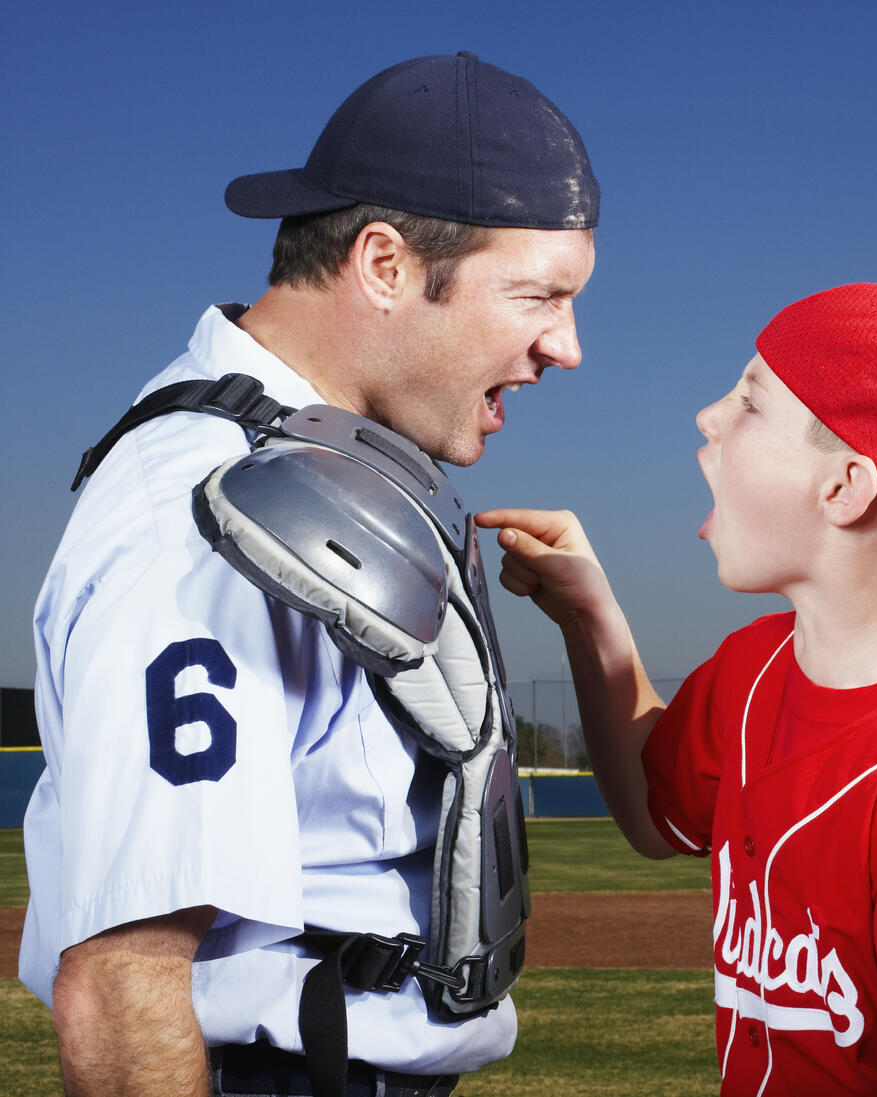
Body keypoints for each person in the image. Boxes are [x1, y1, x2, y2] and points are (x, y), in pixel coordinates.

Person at [21, 53, 598, 1097]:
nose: (565, 345)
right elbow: (121, 979)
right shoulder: (202, 514)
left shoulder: (323, 463)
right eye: (538, 296)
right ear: (383, 264)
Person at [482, 283, 877, 1095]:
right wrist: (591, 618)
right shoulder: (756, 665)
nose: (709, 416)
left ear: (844, 487)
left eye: (751, 403)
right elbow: (651, 808)